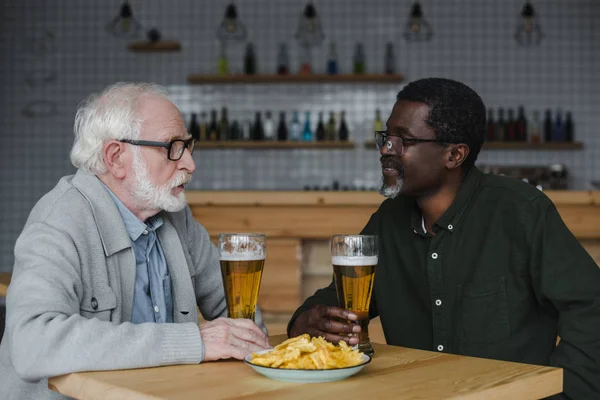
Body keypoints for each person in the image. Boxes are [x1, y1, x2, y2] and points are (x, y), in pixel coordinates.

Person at [288, 78, 600, 399]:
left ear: (454, 155)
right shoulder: (387, 220)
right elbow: (337, 301)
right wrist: (305, 322)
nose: (386, 149)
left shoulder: (521, 212)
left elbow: (591, 311)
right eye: (387, 136)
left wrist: (564, 393)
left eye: (404, 140)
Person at [0, 83, 271, 399]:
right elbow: (33, 343)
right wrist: (193, 342)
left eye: (187, 146)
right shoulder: (59, 221)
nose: (189, 164)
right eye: (171, 147)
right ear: (116, 157)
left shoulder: (175, 216)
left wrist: (246, 341)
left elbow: (236, 309)